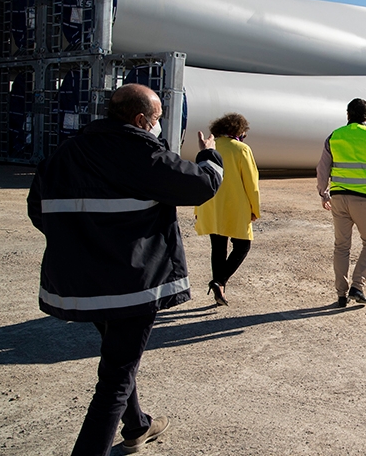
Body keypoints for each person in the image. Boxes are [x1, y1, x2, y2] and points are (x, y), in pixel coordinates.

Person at [27, 83, 223, 455]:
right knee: (115, 379)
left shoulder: (67, 152)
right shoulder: (139, 153)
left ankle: (137, 426)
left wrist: (84, 243)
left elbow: (39, 211)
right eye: (158, 119)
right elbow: (199, 186)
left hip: (83, 281)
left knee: (118, 355)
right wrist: (210, 157)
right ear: (140, 119)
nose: (159, 126)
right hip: (130, 284)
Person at [316, 98, 366, 308]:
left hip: (339, 198)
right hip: (364, 200)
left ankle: (341, 295)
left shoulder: (334, 136)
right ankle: (357, 286)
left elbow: (322, 169)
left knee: (341, 247)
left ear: (348, 115)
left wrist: (323, 193)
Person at [194, 113, 261, 306]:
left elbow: (200, 176)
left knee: (218, 247)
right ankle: (219, 281)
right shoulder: (242, 149)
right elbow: (251, 183)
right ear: (239, 130)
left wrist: (197, 209)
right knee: (242, 245)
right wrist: (255, 208)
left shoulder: (210, 147)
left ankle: (219, 288)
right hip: (235, 206)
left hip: (210, 204)